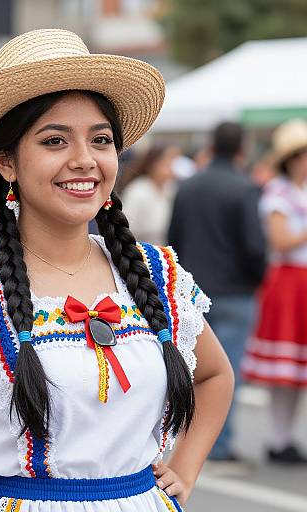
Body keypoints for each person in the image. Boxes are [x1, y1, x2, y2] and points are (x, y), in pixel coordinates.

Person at [0, 29, 234, 511]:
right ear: (6, 161)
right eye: (54, 141)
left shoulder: (156, 273)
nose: (84, 161)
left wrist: (183, 471)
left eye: (101, 140)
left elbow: (214, 376)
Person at [168, 122, 267, 465]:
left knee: (189, 369)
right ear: (241, 148)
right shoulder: (245, 188)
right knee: (224, 371)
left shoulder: (189, 184)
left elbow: (173, 236)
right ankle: (218, 444)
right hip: (236, 289)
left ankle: (185, 440)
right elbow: (255, 245)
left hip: (192, 287)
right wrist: (258, 278)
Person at [241, 119, 307, 464]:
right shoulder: (278, 193)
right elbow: (280, 240)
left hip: (303, 281)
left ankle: (286, 437)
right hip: (289, 281)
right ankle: (278, 438)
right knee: (286, 370)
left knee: (297, 371)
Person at [120, 144, 178, 246]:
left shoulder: (170, 188)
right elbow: (126, 229)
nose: (172, 168)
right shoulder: (138, 190)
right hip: (141, 252)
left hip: (164, 252)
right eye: (167, 163)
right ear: (153, 164)